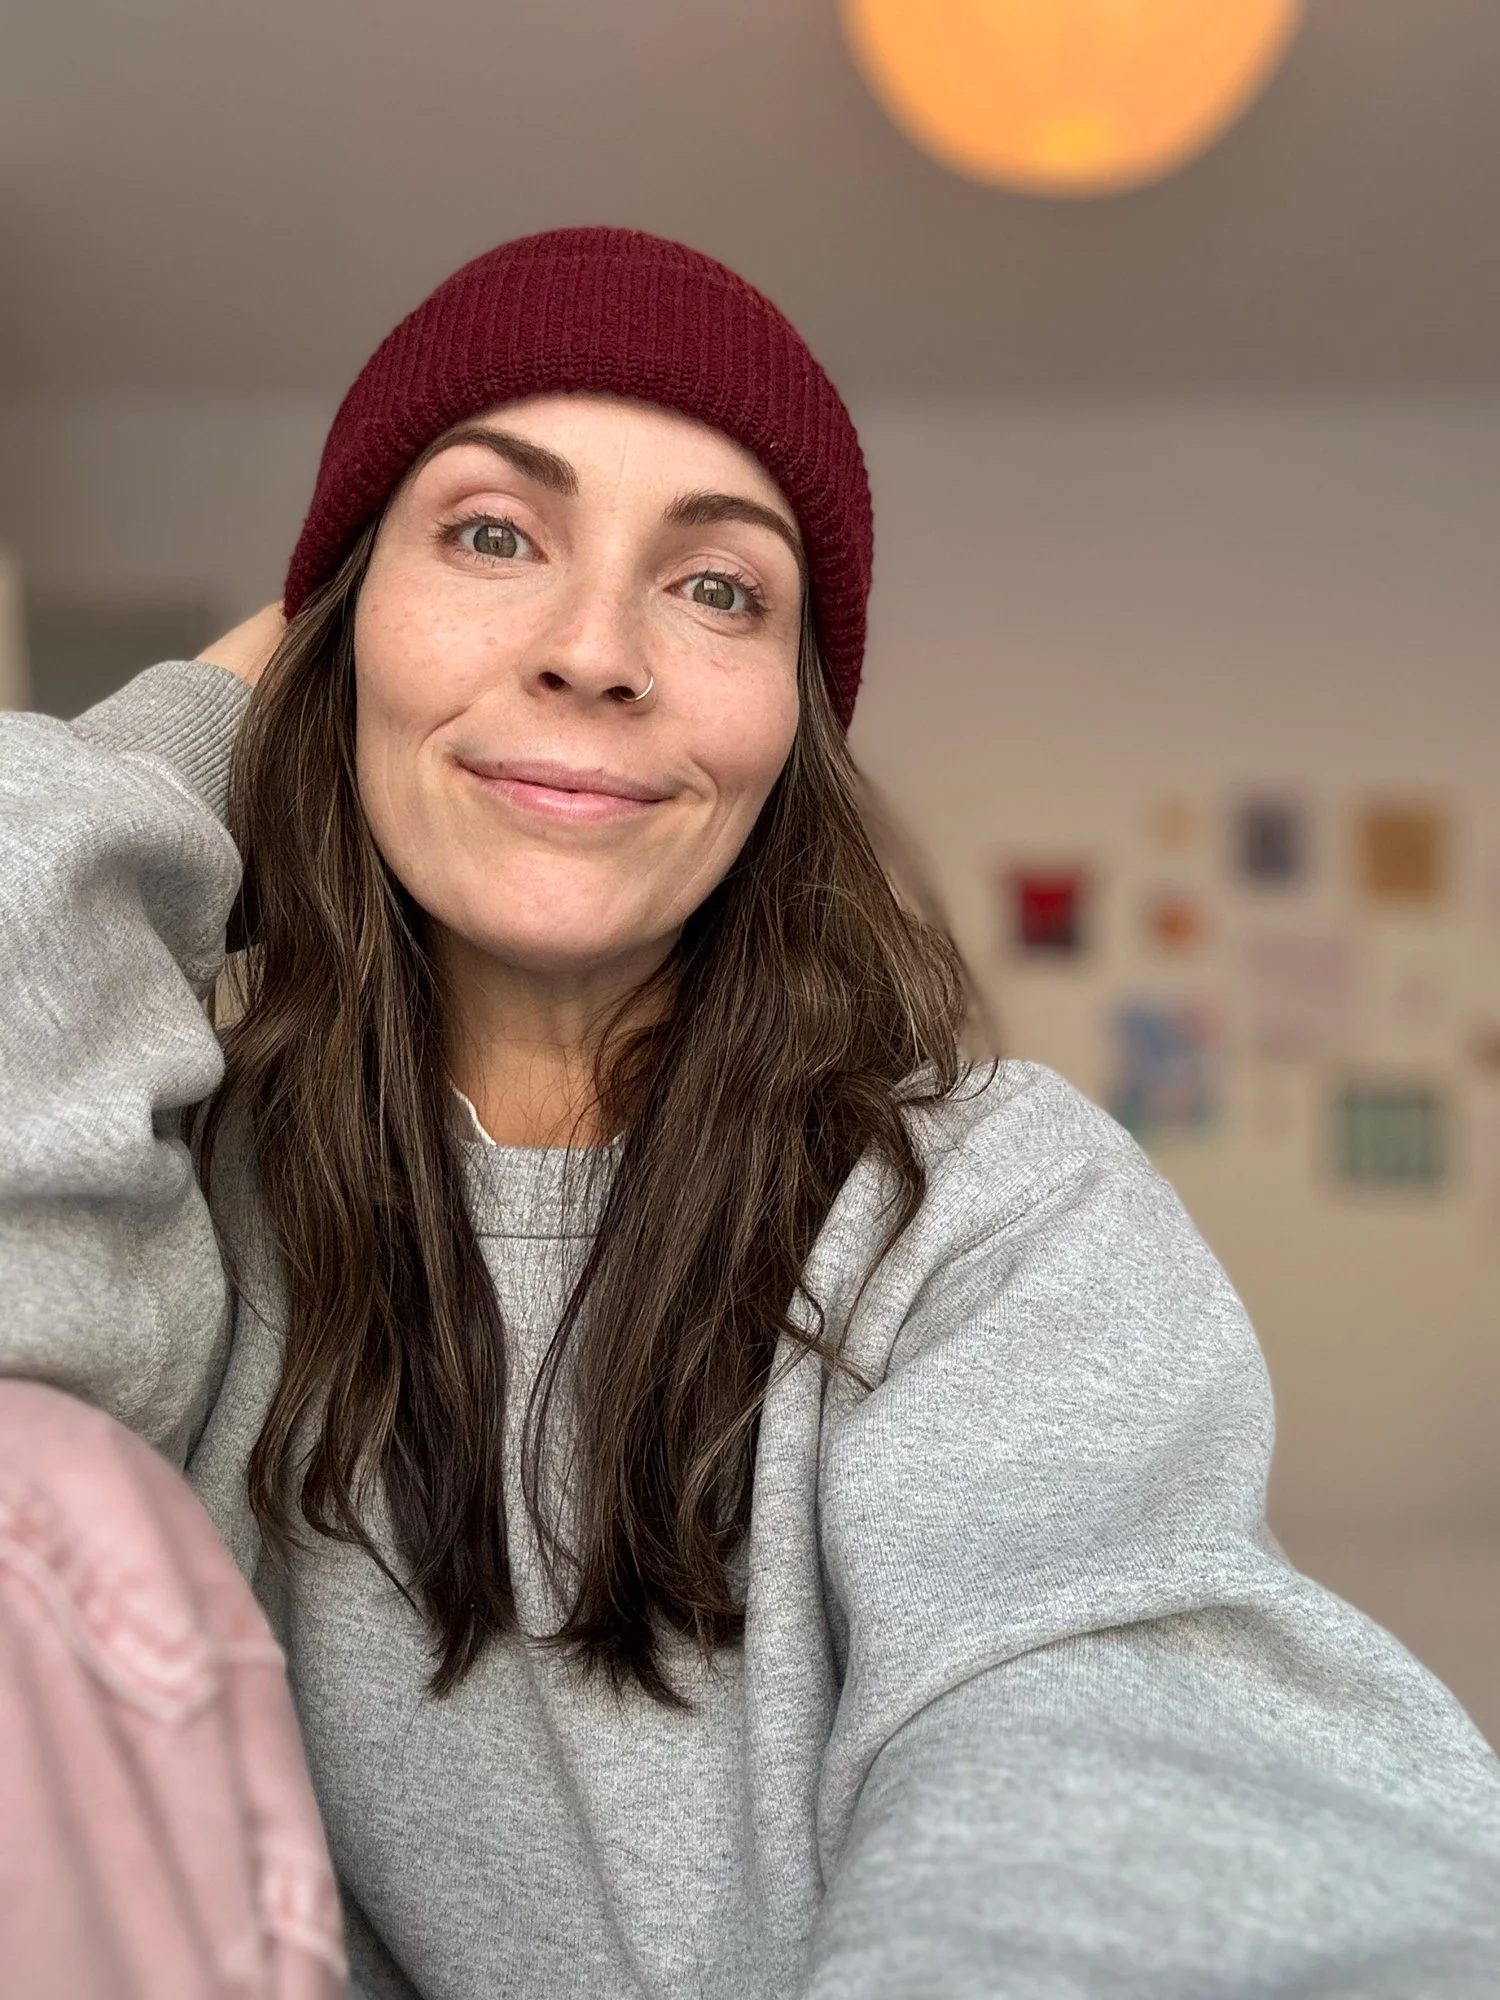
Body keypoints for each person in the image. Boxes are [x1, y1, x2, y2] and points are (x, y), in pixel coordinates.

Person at [2, 226, 1498, 2000]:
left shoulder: (992, 1208)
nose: (596, 651)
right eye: (491, 534)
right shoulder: (177, 1190)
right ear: (335, 639)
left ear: (793, 724)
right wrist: (202, 724)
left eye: (720, 588)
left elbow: (1131, 1742)